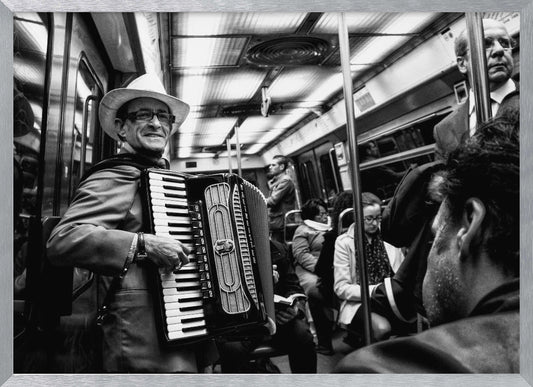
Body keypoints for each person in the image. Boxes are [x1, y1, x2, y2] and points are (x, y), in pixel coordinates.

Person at [46, 73, 215, 372]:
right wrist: (142, 244)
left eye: (163, 116)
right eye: (143, 115)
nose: (156, 123)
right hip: (140, 338)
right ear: (121, 128)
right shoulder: (115, 176)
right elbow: (63, 239)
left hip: (182, 321)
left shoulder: (167, 180)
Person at [335, 113, 519, 373]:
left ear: (468, 225)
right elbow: (341, 286)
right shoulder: (345, 243)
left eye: (434, 235)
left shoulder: (381, 370)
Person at [217, 239, 317, 373]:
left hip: (276, 318)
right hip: (241, 322)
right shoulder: (224, 247)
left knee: (303, 336)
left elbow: (293, 286)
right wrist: (258, 281)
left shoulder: (277, 247)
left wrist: (295, 309)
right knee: (232, 349)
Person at [434, 18, 518, 161]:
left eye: (504, 43)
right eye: (485, 44)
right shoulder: (444, 129)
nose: (499, 50)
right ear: (462, 64)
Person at [333, 192, 404, 345]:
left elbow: (401, 272)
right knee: (382, 328)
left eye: (378, 218)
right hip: (359, 301)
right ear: (358, 217)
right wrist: (374, 290)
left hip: (390, 298)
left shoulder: (389, 236)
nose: (375, 223)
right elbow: (341, 288)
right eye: (369, 219)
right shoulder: (344, 243)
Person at [308, 190, 353, 355]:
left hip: (340, 292)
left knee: (314, 294)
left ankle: (325, 344)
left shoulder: (334, 237)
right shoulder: (370, 231)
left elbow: (321, 269)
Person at [291, 198, 330, 295]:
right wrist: (320, 268)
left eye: (325, 213)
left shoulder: (332, 226)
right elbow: (301, 254)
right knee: (315, 286)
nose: (325, 217)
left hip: (332, 265)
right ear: (311, 216)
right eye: (321, 214)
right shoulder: (303, 230)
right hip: (310, 268)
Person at [266, 155, 297, 243]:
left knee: (280, 247)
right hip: (276, 221)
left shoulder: (285, 181)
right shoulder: (276, 181)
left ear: (282, 167)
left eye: (273, 165)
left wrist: (258, 201)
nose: (270, 167)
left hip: (282, 222)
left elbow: (272, 201)